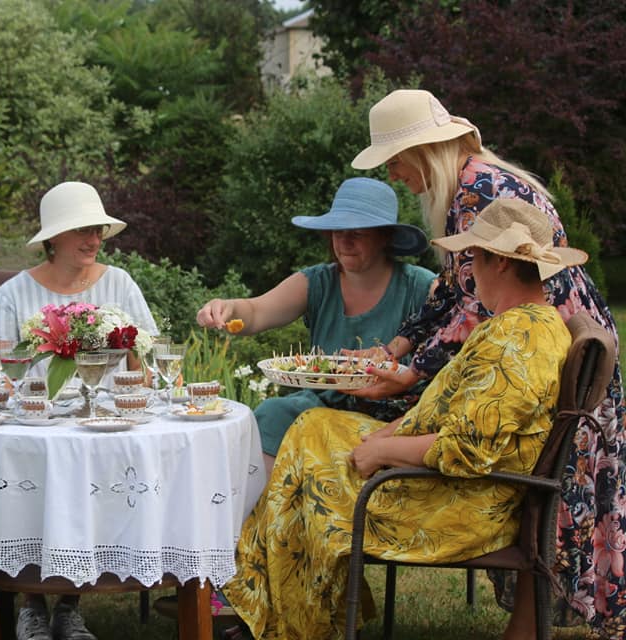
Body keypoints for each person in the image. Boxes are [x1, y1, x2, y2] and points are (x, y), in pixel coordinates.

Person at [220, 198, 588, 640]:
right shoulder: (512, 325)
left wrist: (383, 449)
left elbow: (466, 449)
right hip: (446, 484)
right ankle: (279, 605)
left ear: (501, 264)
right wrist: (391, 432)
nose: (468, 272)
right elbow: (443, 406)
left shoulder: (520, 341)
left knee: (308, 466)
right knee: (309, 427)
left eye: (473, 258)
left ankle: (289, 621)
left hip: (457, 504)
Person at [350, 89, 625, 637]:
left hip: (532, 348)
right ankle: (527, 627)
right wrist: (398, 350)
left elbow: (478, 307)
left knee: (550, 487)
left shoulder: (481, 189)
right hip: (532, 341)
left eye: (396, 160)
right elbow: (451, 294)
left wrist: (410, 374)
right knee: (551, 489)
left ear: (424, 150)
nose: (397, 174)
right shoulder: (468, 186)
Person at [0, 181, 159, 640]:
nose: (94, 238)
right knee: (36, 467)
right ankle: (32, 602)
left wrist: (132, 376)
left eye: (97, 228)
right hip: (35, 428)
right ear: (52, 238)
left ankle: (69, 603)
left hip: (106, 428)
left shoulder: (119, 284)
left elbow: (146, 370)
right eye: (81, 229)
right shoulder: (14, 295)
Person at [196, 177, 435, 476]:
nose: (344, 241)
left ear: (385, 237)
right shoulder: (318, 282)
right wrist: (227, 308)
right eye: (338, 231)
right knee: (273, 413)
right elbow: (257, 311)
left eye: (357, 233)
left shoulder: (421, 287)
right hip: (320, 403)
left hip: (393, 414)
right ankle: (256, 515)